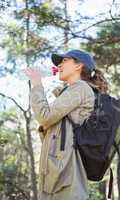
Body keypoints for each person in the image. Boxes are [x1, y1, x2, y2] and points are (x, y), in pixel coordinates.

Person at [25, 49, 108, 200]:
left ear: (78, 65)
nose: (59, 64)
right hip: (57, 176)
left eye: (64, 60)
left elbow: (45, 116)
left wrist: (37, 85)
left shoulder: (80, 88)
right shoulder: (71, 91)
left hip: (66, 178)